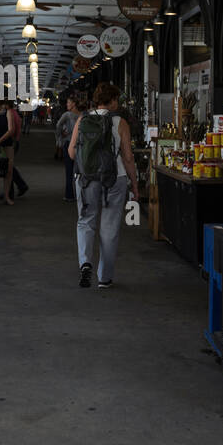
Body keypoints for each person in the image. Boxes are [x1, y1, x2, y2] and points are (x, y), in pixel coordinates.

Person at [68, 81, 139, 290]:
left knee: (85, 221)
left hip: (87, 178)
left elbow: (72, 153)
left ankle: (85, 263)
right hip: (114, 179)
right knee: (110, 229)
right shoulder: (120, 123)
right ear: (113, 100)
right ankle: (104, 277)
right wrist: (134, 185)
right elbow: (127, 157)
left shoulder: (83, 119)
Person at [56, 94, 83, 202]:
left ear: (73, 104)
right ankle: (79, 194)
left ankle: (69, 195)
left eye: (68, 102)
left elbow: (58, 125)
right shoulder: (82, 115)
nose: (67, 104)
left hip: (68, 144)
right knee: (79, 170)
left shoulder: (67, 115)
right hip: (80, 145)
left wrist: (59, 138)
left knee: (69, 170)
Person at [6, 100, 29, 200]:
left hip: (12, 142)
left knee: (8, 167)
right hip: (15, 141)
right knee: (9, 166)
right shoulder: (14, 113)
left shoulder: (11, 114)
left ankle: (17, 188)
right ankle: (15, 188)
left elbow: (12, 130)